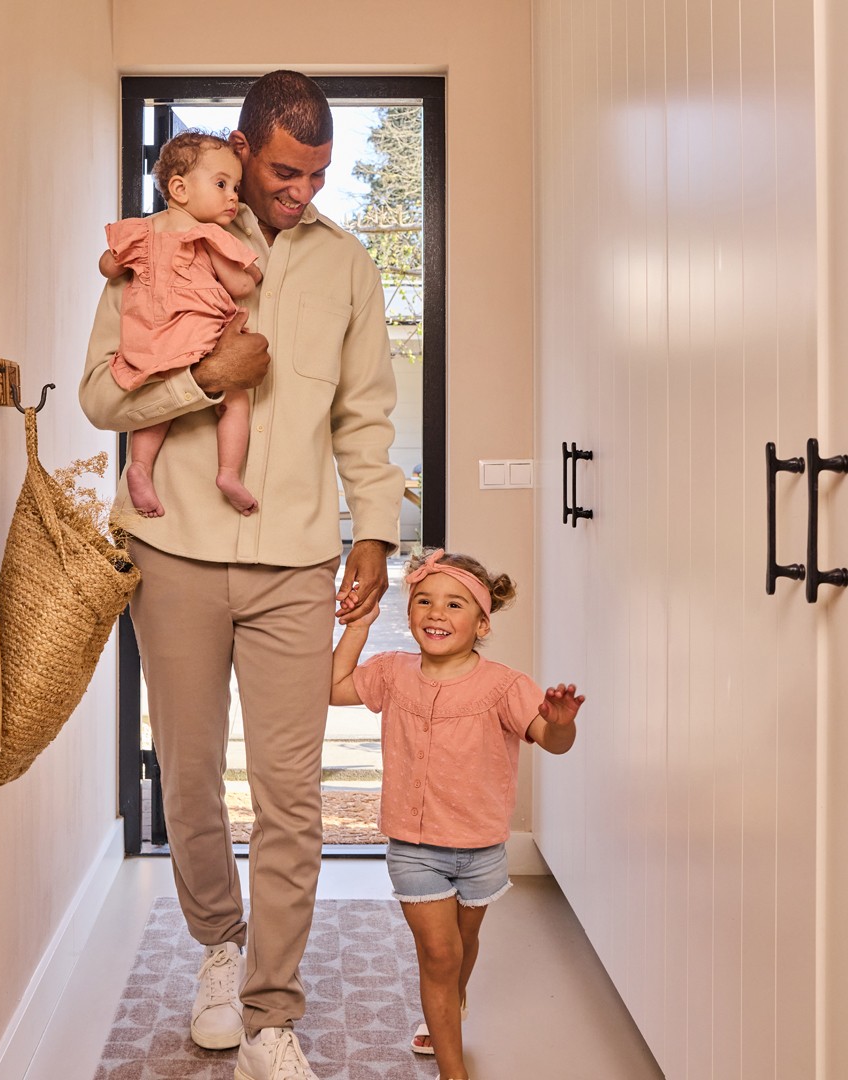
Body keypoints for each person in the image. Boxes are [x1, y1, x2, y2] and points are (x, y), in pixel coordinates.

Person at [79, 70, 406, 1080]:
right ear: (241, 147)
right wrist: (200, 381)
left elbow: (365, 414)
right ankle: (219, 947)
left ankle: (271, 1014)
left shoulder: (347, 266)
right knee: (188, 779)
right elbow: (99, 398)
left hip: (296, 562)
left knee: (291, 795)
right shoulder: (156, 245)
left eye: (318, 176)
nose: (300, 192)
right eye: (283, 172)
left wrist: (374, 533)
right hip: (172, 552)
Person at [330, 548, 584, 1080]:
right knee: (439, 954)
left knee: (462, 948)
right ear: (409, 613)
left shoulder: (506, 686)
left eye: (454, 604)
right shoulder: (392, 672)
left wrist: (561, 723)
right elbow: (330, 689)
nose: (436, 613)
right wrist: (359, 627)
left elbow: (553, 742)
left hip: (482, 850)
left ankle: (452, 997)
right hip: (414, 847)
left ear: (482, 623)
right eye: (424, 601)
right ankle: (453, 1070)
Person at [98, 130, 263, 517]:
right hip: (198, 338)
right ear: (180, 188)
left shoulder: (142, 231)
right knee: (235, 400)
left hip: (151, 339)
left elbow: (107, 266)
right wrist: (253, 273)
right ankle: (228, 474)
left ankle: (140, 467)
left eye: (236, 187)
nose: (233, 196)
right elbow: (241, 286)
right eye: (221, 184)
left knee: (159, 405)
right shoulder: (208, 235)